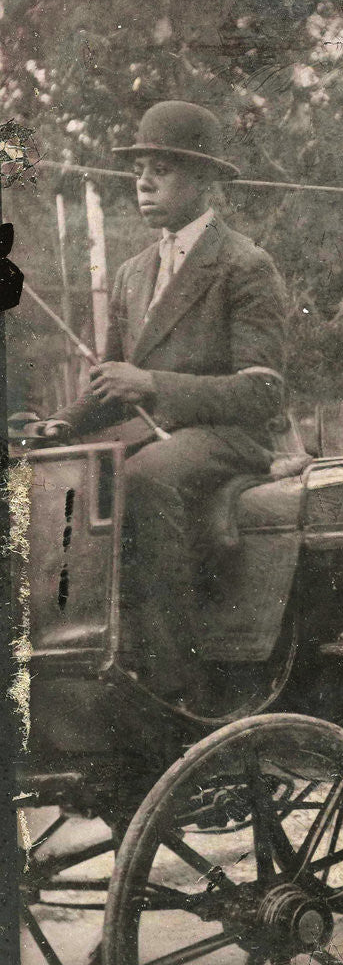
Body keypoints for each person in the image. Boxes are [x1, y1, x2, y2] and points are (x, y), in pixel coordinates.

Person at [40, 101, 288, 701]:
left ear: (205, 182)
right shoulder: (132, 272)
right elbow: (110, 383)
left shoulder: (244, 265)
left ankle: (176, 686)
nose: (144, 182)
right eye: (140, 169)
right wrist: (57, 426)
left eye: (163, 169)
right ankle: (82, 665)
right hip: (163, 438)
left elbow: (262, 391)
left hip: (233, 438)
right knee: (56, 476)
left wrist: (152, 386)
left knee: (143, 477)